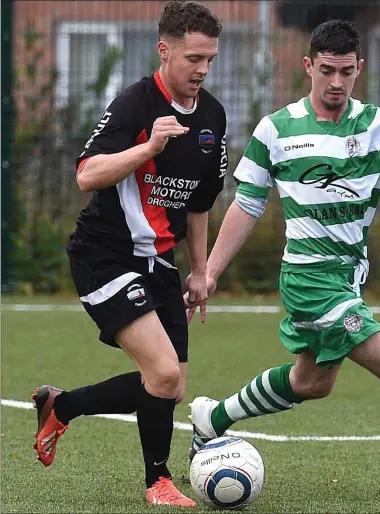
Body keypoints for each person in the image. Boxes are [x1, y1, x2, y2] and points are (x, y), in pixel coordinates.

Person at [32, 0, 227, 506]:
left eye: (210, 59)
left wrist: (201, 271)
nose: (202, 70)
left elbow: (201, 203)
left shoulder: (212, 116)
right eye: (193, 59)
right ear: (164, 51)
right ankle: (157, 483)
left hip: (160, 263)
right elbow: (86, 175)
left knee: (171, 385)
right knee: (161, 375)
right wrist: (146, 149)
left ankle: (62, 406)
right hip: (106, 254)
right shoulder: (134, 105)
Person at [187, 19, 380, 461]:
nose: (336, 81)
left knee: (311, 383)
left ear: (359, 69)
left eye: (346, 72)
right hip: (309, 280)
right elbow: (247, 205)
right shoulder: (276, 130)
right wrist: (208, 274)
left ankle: (212, 419)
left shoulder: (374, 127)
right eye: (327, 70)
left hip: (349, 278)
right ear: (308, 65)